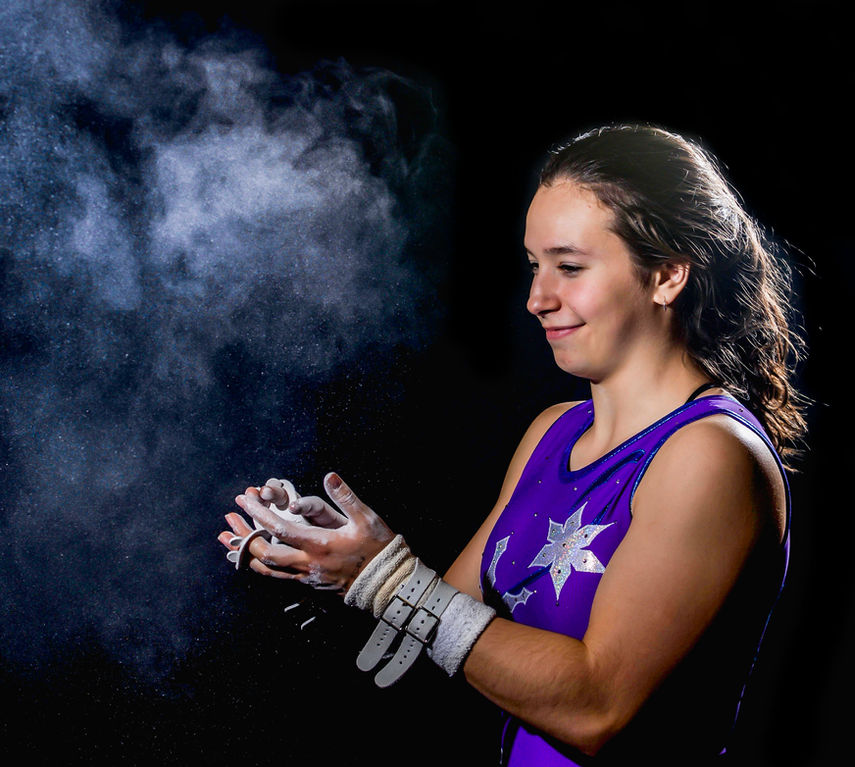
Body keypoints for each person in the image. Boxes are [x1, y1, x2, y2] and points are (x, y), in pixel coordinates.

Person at [218, 124, 806, 764]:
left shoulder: (709, 455)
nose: (537, 299)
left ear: (666, 275)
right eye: (534, 266)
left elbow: (597, 707)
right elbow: (437, 628)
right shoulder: (553, 432)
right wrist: (331, 554)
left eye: (570, 267)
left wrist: (386, 578)